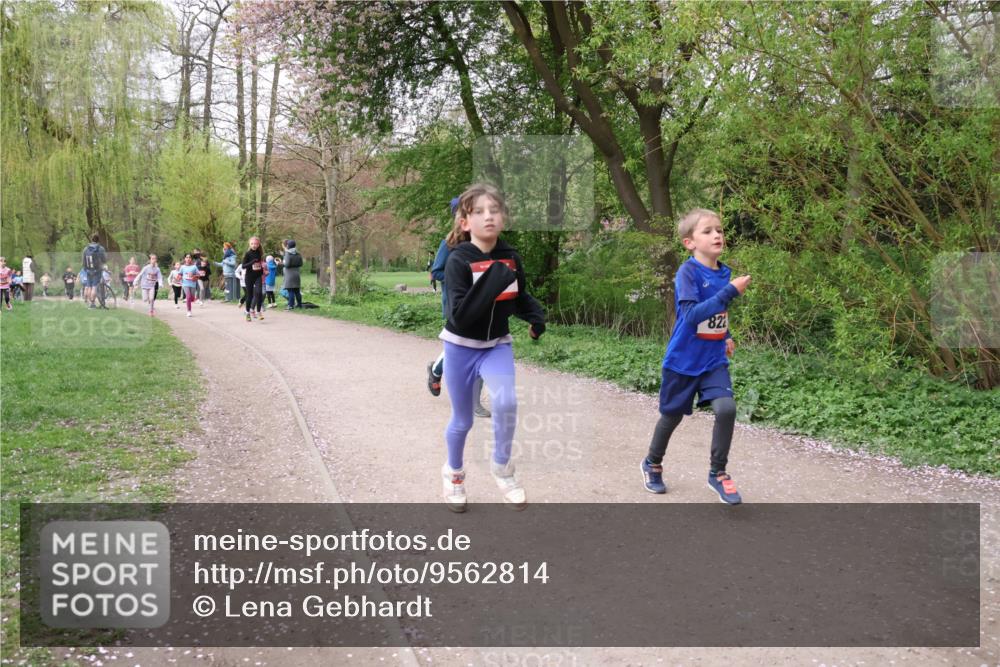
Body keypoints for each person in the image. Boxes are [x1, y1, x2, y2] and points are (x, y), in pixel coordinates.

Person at [438, 184, 546, 513]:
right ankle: (454, 474)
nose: (489, 216)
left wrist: (536, 317)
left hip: (496, 344)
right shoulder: (458, 261)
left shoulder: (511, 257)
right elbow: (460, 316)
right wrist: (494, 277)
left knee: (507, 401)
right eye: (479, 211)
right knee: (463, 420)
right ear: (465, 222)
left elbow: (520, 295)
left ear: (503, 218)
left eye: (495, 210)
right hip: (460, 347)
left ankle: (503, 468)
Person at [639, 208, 750, 505]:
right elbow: (690, 316)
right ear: (689, 243)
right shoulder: (687, 272)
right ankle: (652, 462)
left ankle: (718, 472)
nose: (717, 235)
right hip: (683, 361)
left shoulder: (724, 272)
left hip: (713, 359)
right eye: (708, 231)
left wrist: (725, 335)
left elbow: (716, 312)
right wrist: (729, 292)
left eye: (719, 230)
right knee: (672, 416)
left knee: (726, 409)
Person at [427, 198, 490, 418]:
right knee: (462, 347)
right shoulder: (449, 244)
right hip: (456, 305)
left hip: (481, 303)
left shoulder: (483, 241)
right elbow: (437, 272)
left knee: (480, 347)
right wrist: (460, 279)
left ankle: (472, 401)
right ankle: (437, 371)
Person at [241, 237, 265, 321]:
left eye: (256, 244)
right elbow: (243, 266)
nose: (254, 245)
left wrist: (263, 271)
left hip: (258, 276)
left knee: (259, 293)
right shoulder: (247, 254)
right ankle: (248, 312)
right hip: (249, 277)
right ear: (249, 244)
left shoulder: (259, 253)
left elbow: (259, 265)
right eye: (252, 244)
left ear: (258, 245)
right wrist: (252, 262)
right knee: (249, 296)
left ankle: (258, 312)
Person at [82, 234, 107, 308]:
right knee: (94, 287)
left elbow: (83, 261)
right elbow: (104, 259)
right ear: (98, 240)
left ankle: (91, 303)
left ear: (91, 240)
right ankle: (93, 302)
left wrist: (85, 269)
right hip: (97, 270)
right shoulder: (101, 248)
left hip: (88, 270)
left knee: (89, 286)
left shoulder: (85, 249)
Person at [279, 239, 303, 310]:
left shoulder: (288, 254)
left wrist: (281, 263)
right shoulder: (298, 253)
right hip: (297, 274)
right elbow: (301, 263)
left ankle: (290, 305)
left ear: (288, 246)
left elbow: (287, 264)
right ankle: (299, 305)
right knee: (297, 291)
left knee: (290, 291)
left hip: (289, 274)